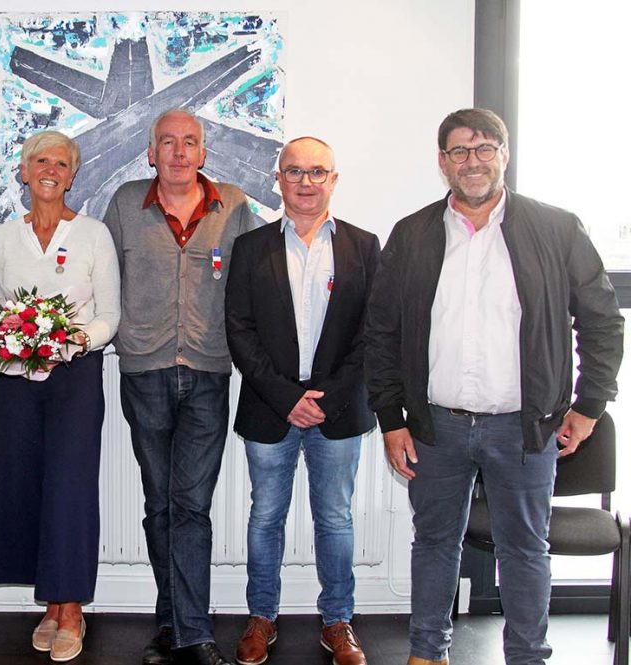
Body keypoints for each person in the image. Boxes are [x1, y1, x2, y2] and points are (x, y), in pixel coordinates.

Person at [365, 108, 623, 665]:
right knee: (433, 544)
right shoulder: (412, 234)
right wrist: (391, 418)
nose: (473, 161)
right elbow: (381, 332)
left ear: (505, 155)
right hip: (437, 427)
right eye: (459, 151)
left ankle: (528, 657)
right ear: (443, 163)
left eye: (485, 149)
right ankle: (427, 653)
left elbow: (602, 319)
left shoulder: (556, 228)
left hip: (524, 429)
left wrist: (590, 405)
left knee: (525, 549)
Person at [103, 108, 257, 665]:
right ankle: (172, 622)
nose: (178, 151)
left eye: (189, 142)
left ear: (203, 152)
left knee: (191, 504)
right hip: (144, 370)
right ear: (151, 153)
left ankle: (190, 630)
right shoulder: (124, 204)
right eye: (167, 142)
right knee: (159, 504)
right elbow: (101, 279)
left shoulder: (235, 206)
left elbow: (258, 283)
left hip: (211, 371)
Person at [225, 137, 379, 665]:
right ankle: (261, 617)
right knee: (265, 516)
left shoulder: (364, 246)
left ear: (333, 180)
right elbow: (239, 331)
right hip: (271, 407)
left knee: (335, 517)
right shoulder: (251, 248)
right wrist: (288, 397)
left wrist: (326, 398)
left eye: (318, 172)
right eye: (294, 172)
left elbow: (372, 334)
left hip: (339, 409)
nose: (306, 182)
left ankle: (338, 621)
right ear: (278, 179)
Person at [0, 130, 120, 662]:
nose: (50, 170)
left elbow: (110, 313)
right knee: (22, 485)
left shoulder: (93, 234)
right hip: (14, 377)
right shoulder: (1, 237)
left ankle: (71, 609)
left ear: (72, 174)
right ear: (23, 170)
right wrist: (13, 337)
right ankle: (47, 600)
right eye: (40, 160)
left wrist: (69, 340)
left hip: (75, 377)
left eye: (61, 163)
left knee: (70, 489)